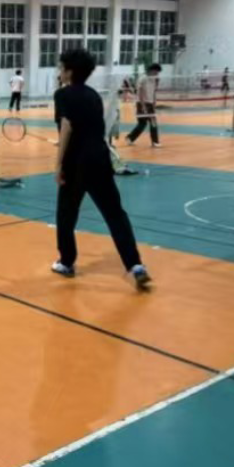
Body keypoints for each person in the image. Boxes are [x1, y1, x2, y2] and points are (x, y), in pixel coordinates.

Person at [51, 48, 150, 290]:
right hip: (101, 159)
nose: (59, 71)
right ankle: (135, 265)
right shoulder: (94, 95)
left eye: (61, 67)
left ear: (69, 71)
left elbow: (67, 126)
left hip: (76, 163)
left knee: (66, 215)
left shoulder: (62, 94)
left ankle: (66, 262)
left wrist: (58, 164)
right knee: (115, 214)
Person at [126, 63, 162, 148]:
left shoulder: (155, 79)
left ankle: (155, 142)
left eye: (158, 73)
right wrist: (143, 106)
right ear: (152, 70)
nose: (157, 74)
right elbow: (140, 92)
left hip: (150, 103)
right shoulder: (143, 78)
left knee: (153, 123)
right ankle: (130, 138)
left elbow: (154, 91)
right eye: (156, 72)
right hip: (141, 103)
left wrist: (154, 101)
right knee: (142, 124)